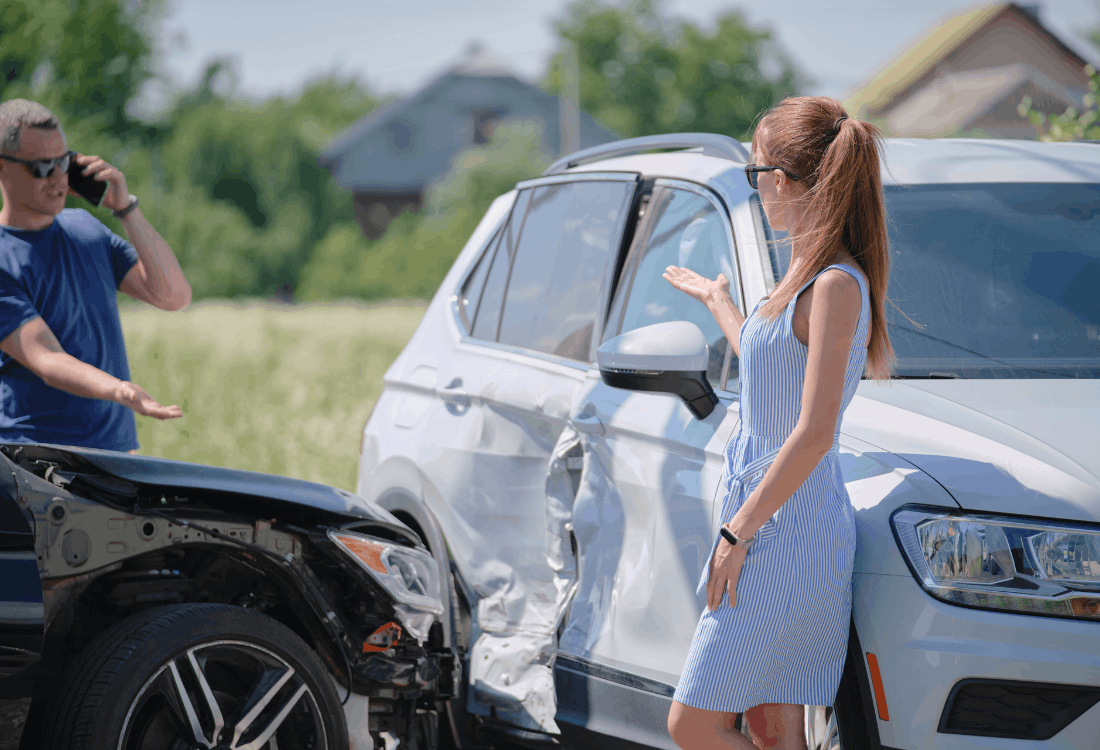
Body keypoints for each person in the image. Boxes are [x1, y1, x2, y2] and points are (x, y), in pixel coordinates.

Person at [663, 96, 895, 750]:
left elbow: (815, 430)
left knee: (693, 725)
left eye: (755, 172)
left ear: (785, 182)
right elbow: (774, 374)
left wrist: (737, 532)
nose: (756, 187)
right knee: (771, 729)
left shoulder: (834, 286)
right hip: (770, 521)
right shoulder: (803, 272)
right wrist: (723, 306)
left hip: (785, 532)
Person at [0, 99, 190, 453]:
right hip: (35, 459)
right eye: (41, 167)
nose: (58, 178)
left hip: (114, 453)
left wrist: (126, 208)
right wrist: (119, 390)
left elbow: (173, 296)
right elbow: (46, 358)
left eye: (64, 162)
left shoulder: (87, 229)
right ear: (2, 169)